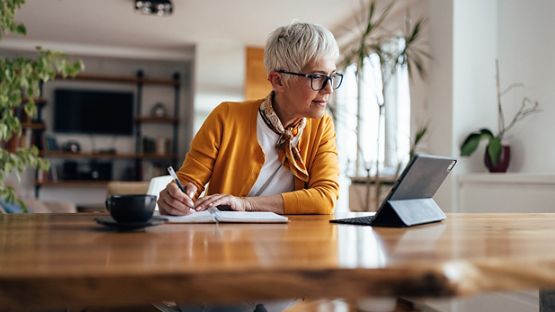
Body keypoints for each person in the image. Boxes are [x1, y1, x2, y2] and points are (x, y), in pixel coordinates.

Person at [158, 22, 342, 218]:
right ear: (278, 81)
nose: (329, 89)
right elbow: (188, 183)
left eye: (332, 76)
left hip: (294, 242)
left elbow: (325, 197)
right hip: (227, 243)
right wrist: (175, 198)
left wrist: (246, 204)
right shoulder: (225, 117)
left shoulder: (322, 127)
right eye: (317, 77)